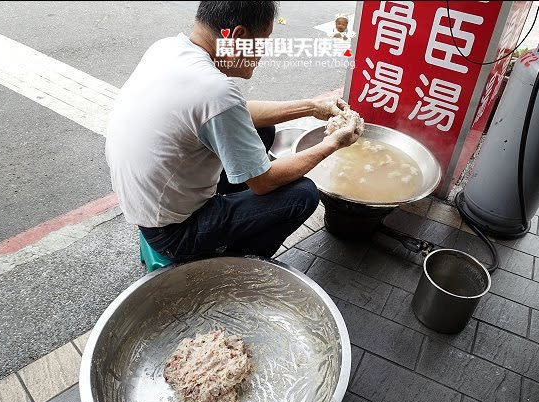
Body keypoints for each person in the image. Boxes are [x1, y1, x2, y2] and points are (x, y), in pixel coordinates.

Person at [105, 1, 361, 263]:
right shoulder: (216, 91)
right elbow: (264, 183)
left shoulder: (168, 49)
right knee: (302, 195)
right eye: (262, 42)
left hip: (152, 206)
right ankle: (233, 265)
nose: (262, 54)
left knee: (262, 131)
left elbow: (233, 114)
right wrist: (332, 143)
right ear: (238, 36)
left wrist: (311, 107)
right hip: (174, 233)